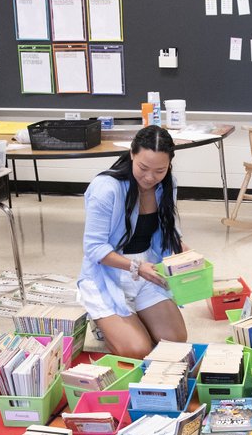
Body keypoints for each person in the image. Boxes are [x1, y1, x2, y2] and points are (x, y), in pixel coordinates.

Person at [78, 125, 191, 359]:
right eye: (143, 167)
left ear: (169, 164)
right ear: (132, 154)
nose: (150, 177)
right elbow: (94, 248)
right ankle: (104, 321)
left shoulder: (168, 185)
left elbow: (170, 233)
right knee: (137, 350)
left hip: (147, 269)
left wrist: (189, 258)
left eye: (160, 170)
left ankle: (131, 318)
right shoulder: (106, 188)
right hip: (107, 273)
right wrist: (135, 267)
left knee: (176, 340)